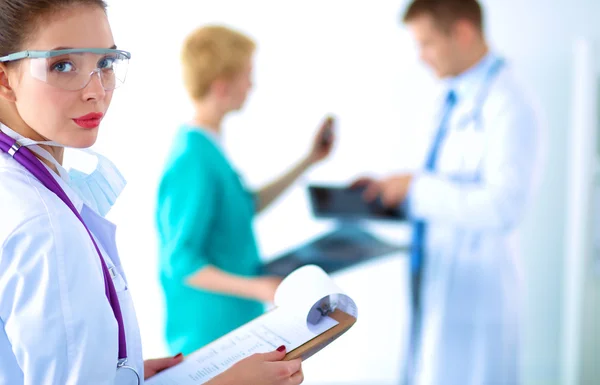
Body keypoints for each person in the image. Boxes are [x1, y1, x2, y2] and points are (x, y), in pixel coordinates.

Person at [0, 1, 303, 384]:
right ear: (5, 78)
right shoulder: (43, 226)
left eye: (106, 63)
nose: (96, 91)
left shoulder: (26, 187)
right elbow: (181, 259)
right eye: (62, 65)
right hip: (211, 320)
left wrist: (125, 374)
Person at [353, 1, 543, 384]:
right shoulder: (452, 97)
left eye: (427, 44)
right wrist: (395, 190)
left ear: (463, 32)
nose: (421, 58)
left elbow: (506, 205)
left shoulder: (509, 103)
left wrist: (416, 190)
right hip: (438, 278)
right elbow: (446, 185)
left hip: (478, 294)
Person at [155, 25, 335, 356]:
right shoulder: (192, 158)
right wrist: (257, 287)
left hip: (234, 327)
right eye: (247, 75)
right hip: (208, 337)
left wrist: (309, 160)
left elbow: (244, 206)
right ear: (222, 85)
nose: (252, 86)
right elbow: (180, 261)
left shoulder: (210, 148)